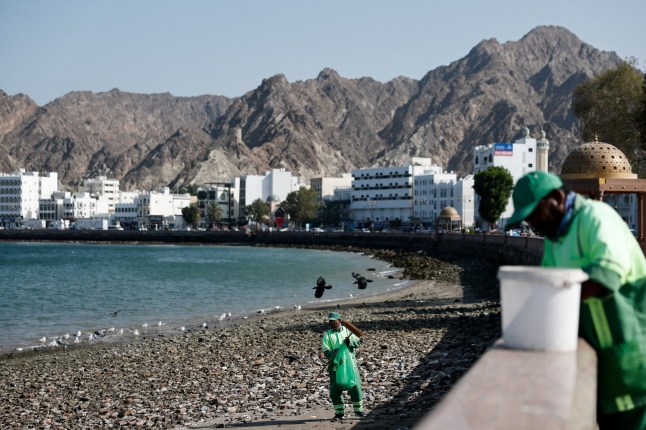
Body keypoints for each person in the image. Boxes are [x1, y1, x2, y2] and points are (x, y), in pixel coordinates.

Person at [506, 170, 646, 429]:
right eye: (528, 219)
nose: (533, 224)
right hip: (605, 369)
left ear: (558, 198)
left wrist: (558, 301)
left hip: (633, 361)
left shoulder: (596, 217)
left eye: (536, 213)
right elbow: (547, 288)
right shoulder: (554, 240)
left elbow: (606, 276)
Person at [321, 311, 365, 421]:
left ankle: (358, 411)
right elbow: (326, 350)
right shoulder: (327, 335)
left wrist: (349, 342)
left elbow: (358, 342)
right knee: (335, 389)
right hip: (335, 364)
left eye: (334, 321)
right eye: (330, 321)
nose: (332, 323)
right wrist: (335, 358)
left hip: (350, 363)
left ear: (339, 320)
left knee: (355, 386)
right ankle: (339, 413)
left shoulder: (348, 331)